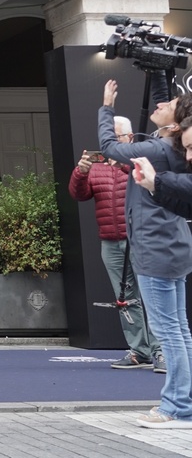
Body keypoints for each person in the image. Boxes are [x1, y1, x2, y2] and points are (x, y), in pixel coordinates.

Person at [99, 77, 192, 428]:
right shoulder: (169, 145)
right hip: (173, 247)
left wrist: (106, 106)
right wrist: (158, 72)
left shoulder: (159, 149)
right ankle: (183, 402)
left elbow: (108, 146)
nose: (159, 105)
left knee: (170, 332)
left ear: (173, 122)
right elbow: (165, 104)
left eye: (165, 105)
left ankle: (175, 406)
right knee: (179, 330)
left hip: (156, 249)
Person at [69, 116, 159, 371]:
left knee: (150, 295)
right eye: (106, 139)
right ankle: (138, 351)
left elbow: (151, 187)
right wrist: (81, 172)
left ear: (129, 138)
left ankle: (161, 351)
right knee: (125, 299)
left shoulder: (139, 160)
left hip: (139, 240)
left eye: (115, 137)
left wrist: (121, 164)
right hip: (110, 242)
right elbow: (79, 194)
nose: (109, 143)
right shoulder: (97, 168)